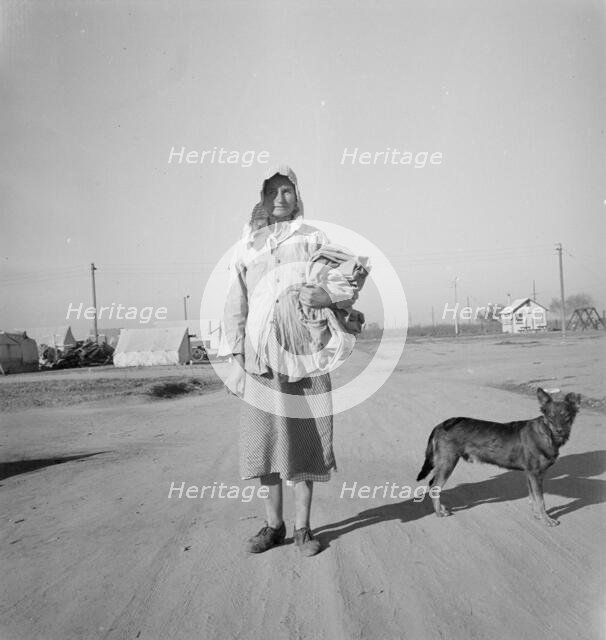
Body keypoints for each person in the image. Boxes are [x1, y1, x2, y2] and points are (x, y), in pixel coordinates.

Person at [222, 166, 353, 557]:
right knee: (264, 444)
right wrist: (235, 358)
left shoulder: (313, 238)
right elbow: (235, 304)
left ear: (298, 196)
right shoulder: (247, 245)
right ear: (262, 196)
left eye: (288, 191)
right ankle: (273, 526)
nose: (281, 198)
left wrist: (327, 297)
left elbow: (347, 281)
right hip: (261, 360)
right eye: (273, 191)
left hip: (304, 357)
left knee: (304, 441)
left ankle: (302, 530)